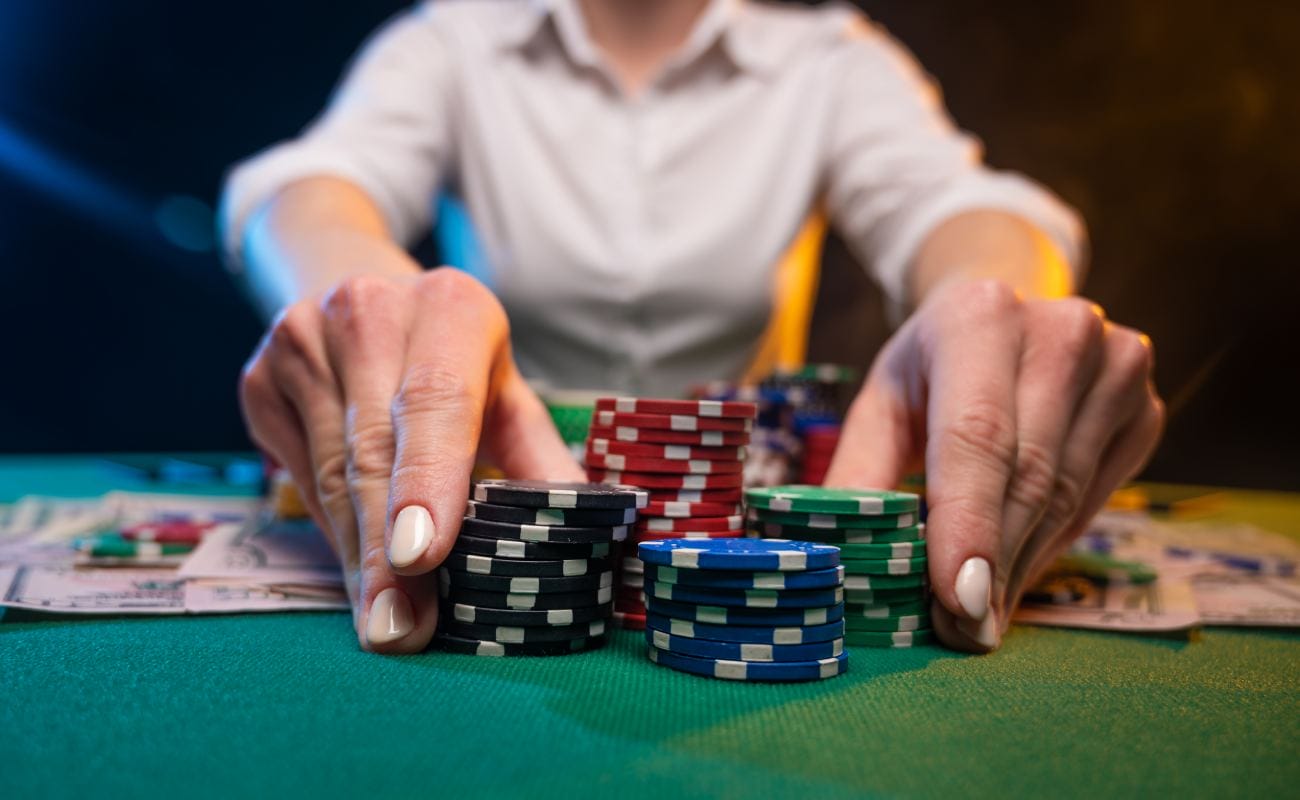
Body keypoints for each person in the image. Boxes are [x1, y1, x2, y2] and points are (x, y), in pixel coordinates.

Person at [221, 0, 1164, 655]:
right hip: (504, 511)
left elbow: (958, 206)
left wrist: (989, 300)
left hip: (740, 523)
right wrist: (366, 296)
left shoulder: (834, 58)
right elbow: (307, 189)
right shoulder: (449, 42)